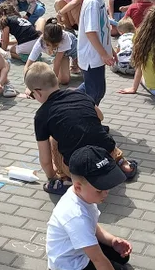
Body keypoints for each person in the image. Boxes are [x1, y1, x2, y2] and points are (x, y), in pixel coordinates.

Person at [39, 146, 141, 270]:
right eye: (100, 190)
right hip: (69, 264)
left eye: (107, 187)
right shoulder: (75, 215)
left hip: (78, 247)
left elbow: (93, 227)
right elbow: (98, 259)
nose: (106, 193)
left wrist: (112, 240)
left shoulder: (85, 197)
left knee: (121, 255)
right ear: (78, 187)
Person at [24, 61, 137, 195]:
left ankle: (65, 179)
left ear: (37, 92)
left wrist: (51, 176)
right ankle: (122, 163)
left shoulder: (42, 115)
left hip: (79, 165)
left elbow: (45, 159)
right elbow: (100, 117)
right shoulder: (79, 94)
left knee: (52, 139)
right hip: (105, 154)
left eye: (32, 95)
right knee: (96, 130)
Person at [76, 0, 113, 105]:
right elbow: (91, 32)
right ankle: (88, 120)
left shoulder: (97, 0)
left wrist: (109, 50)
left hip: (97, 55)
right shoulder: (92, 4)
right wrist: (104, 53)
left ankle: (67, 102)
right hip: (92, 57)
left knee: (95, 89)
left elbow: (104, 29)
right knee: (94, 92)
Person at [24, 19, 80, 88]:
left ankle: (75, 63)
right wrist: (28, 87)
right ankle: (69, 62)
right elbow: (27, 65)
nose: (53, 48)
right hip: (61, 55)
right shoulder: (39, 43)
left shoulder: (64, 38)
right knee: (64, 80)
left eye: (55, 46)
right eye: (48, 45)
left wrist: (53, 84)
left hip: (72, 47)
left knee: (84, 67)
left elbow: (57, 62)